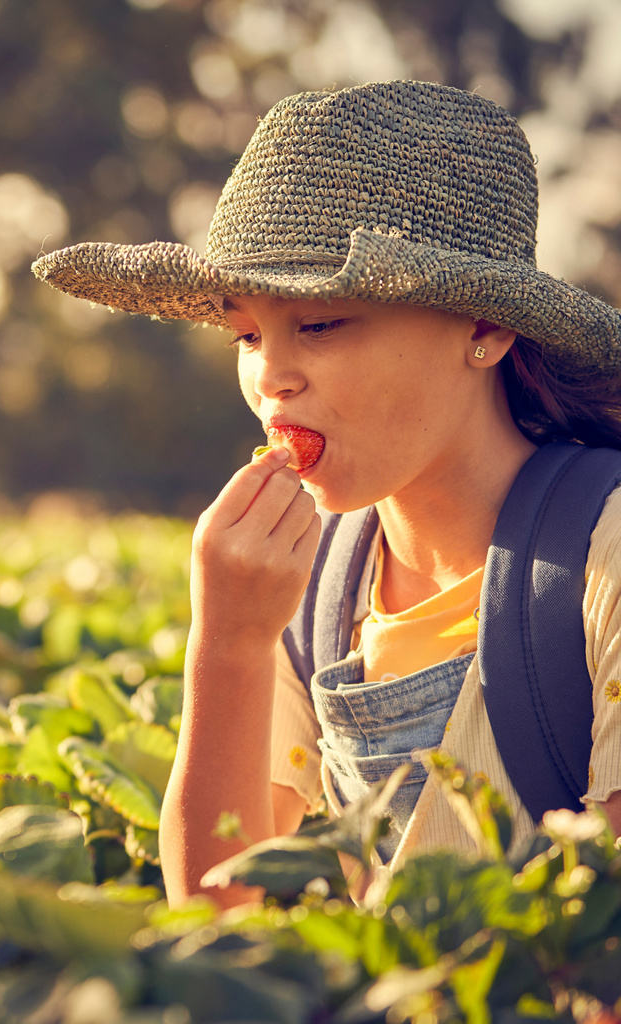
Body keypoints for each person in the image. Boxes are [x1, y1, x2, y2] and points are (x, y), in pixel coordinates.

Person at [32, 79, 621, 905]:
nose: (271, 377)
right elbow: (219, 909)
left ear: (486, 329)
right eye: (245, 334)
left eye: (320, 323)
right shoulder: (307, 580)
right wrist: (228, 645)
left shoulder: (606, 550)